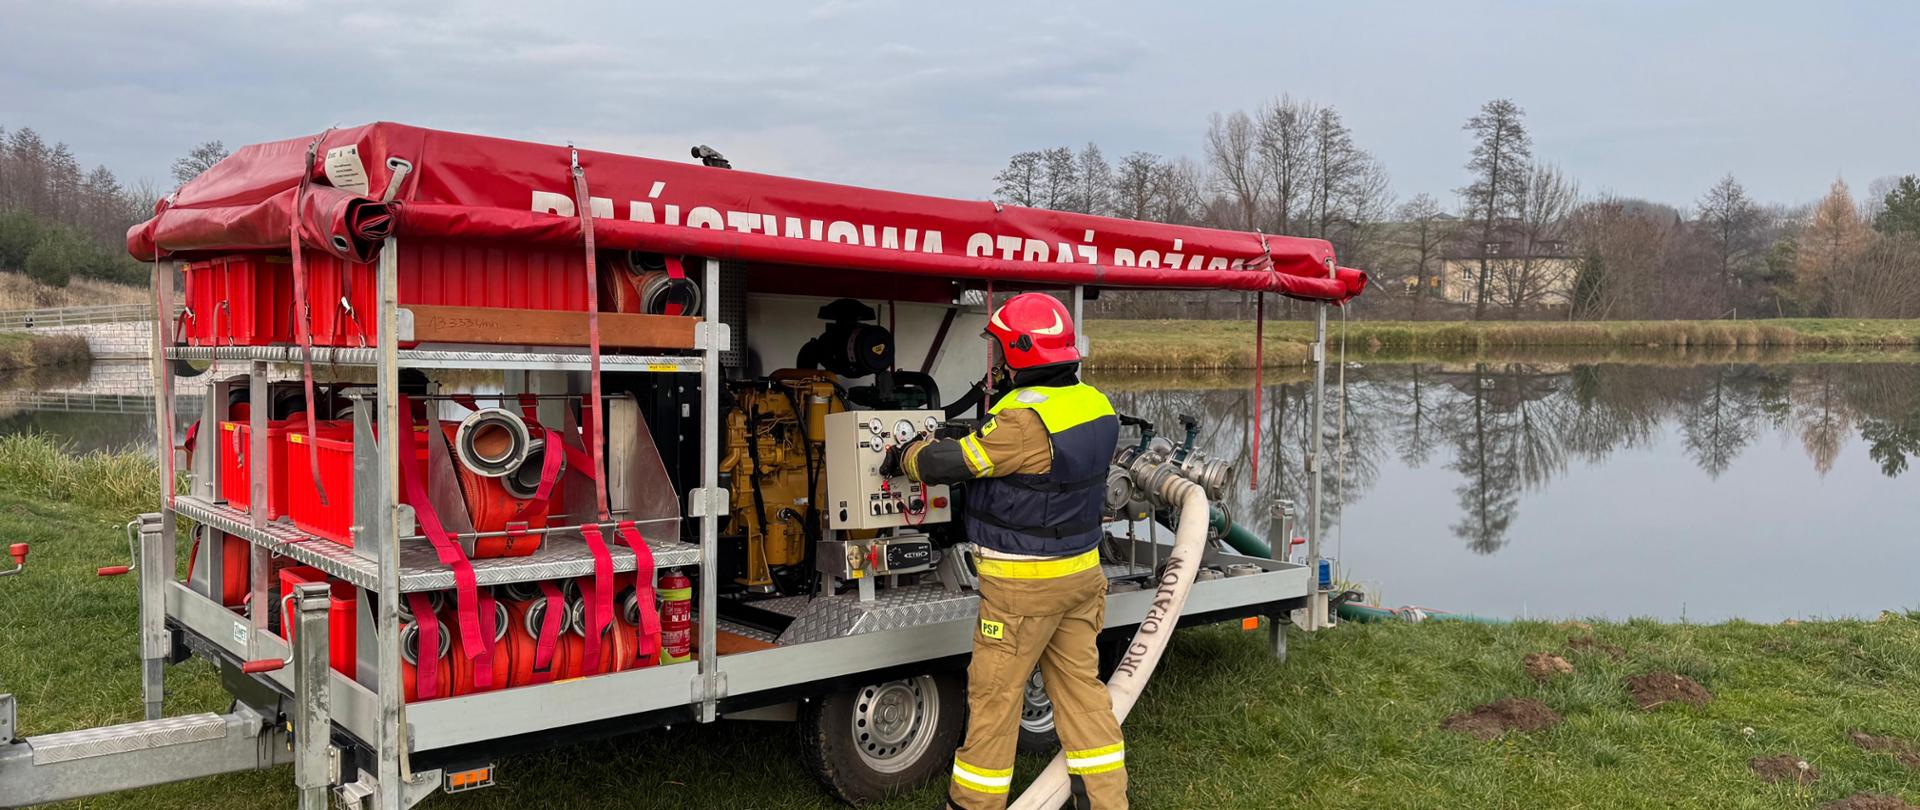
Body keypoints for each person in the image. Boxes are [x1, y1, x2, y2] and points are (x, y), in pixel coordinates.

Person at [882, 292, 1126, 810]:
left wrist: (909, 455)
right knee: (1084, 698)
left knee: (995, 701)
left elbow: (960, 462)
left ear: (1021, 350)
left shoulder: (1022, 418)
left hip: (1023, 589)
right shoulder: (1095, 404)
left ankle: (972, 805)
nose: (995, 358)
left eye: (999, 347)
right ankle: (1107, 803)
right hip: (1082, 578)